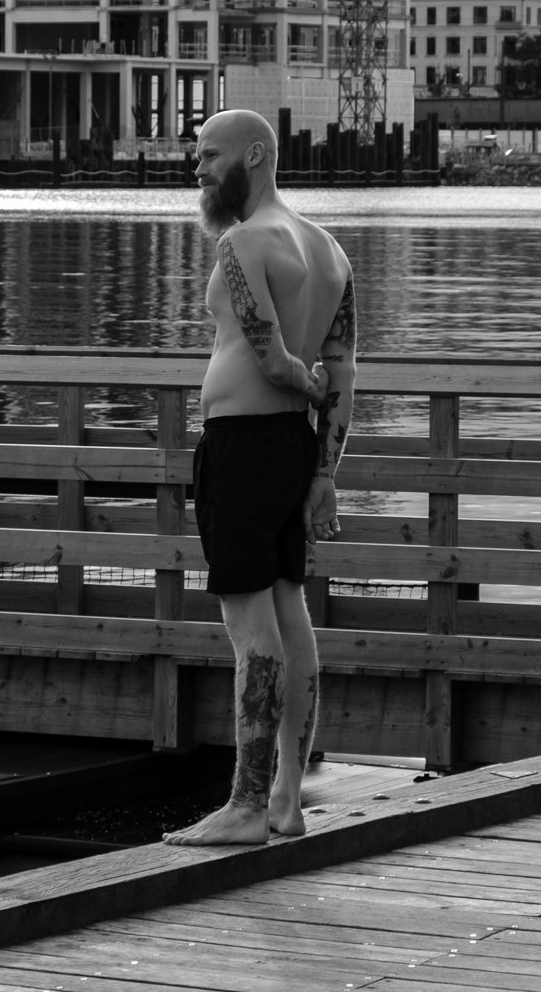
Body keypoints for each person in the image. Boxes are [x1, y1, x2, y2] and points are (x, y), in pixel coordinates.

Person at [163, 109, 356, 847]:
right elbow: (345, 368)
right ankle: (285, 798)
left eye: (210, 155)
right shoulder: (330, 249)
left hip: (243, 446)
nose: (199, 168)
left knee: (249, 626)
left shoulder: (243, 241)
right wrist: (325, 470)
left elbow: (274, 356)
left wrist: (296, 384)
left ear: (256, 154)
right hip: (292, 451)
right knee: (290, 611)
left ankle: (244, 805)